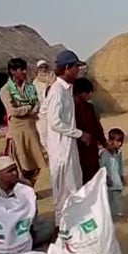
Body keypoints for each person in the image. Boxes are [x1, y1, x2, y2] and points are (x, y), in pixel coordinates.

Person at [45, 50, 90, 229]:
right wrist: (79, 133)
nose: (78, 71)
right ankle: (60, 227)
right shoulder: (57, 91)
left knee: (73, 186)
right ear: (66, 68)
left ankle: (71, 224)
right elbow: (54, 122)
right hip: (61, 148)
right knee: (63, 189)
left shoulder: (67, 90)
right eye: (75, 68)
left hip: (67, 145)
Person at [0, 156, 54, 247]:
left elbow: (31, 214)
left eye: (15, 169)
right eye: (10, 171)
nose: (15, 173)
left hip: (21, 229)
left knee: (50, 226)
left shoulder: (25, 186)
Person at [0, 58, 47, 186]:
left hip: (31, 128)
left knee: (36, 163)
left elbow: (36, 104)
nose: (24, 72)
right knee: (21, 164)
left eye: (25, 69)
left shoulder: (30, 87)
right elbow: (12, 111)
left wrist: (29, 109)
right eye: (21, 69)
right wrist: (28, 109)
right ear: (12, 71)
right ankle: (22, 190)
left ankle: (31, 188)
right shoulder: (6, 90)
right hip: (17, 130)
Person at [73, 77, 107, 184]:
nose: (90, 95)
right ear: (80, 93)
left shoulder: (90, 107)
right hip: (77, 148)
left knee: (93, 177)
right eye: (88, 92)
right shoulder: (72, 109)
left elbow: (97, 127)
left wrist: (103, 142)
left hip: (91, 149)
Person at [99, 128, 126, 219]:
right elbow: (102, 167)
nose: (120, 143)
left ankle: (119, 213)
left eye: (121, 141)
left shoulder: (119, 153)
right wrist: (106, 178)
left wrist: (122, 176)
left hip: (117, 179)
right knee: (109, 199)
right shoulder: (105, 154)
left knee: (117, 197)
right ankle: (109, 215)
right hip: (109, 181)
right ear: (110, 141)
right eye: (117, 141)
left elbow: (120, 165)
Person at [33, 59, 56, 152]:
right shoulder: (35, 83)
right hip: (40, 112)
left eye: (44, 67)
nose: (43, 69)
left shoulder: (53, 79)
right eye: (40, 67)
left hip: (52, 110)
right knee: (43, 135)